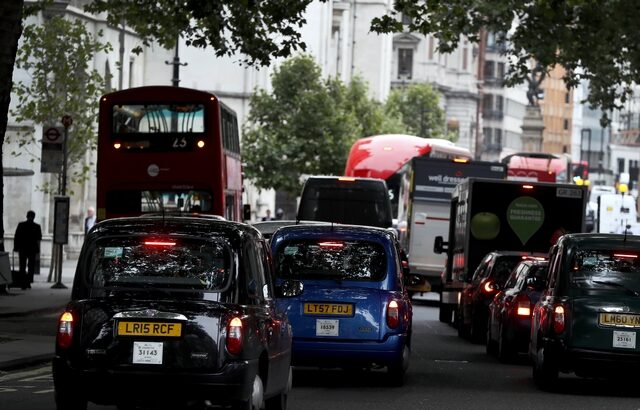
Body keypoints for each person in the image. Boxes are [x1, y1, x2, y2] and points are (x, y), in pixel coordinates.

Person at [13, 210, 42, 289]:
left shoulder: (21, 225)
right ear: (34, 217)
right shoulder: (37, 226)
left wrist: (15, 247)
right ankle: (28, 282)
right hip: (32, 249)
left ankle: (23, 283)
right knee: (31, 266)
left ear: (27, 216)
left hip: (22, 248)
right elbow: (39, 238)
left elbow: (16, 237)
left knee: (22, 266)